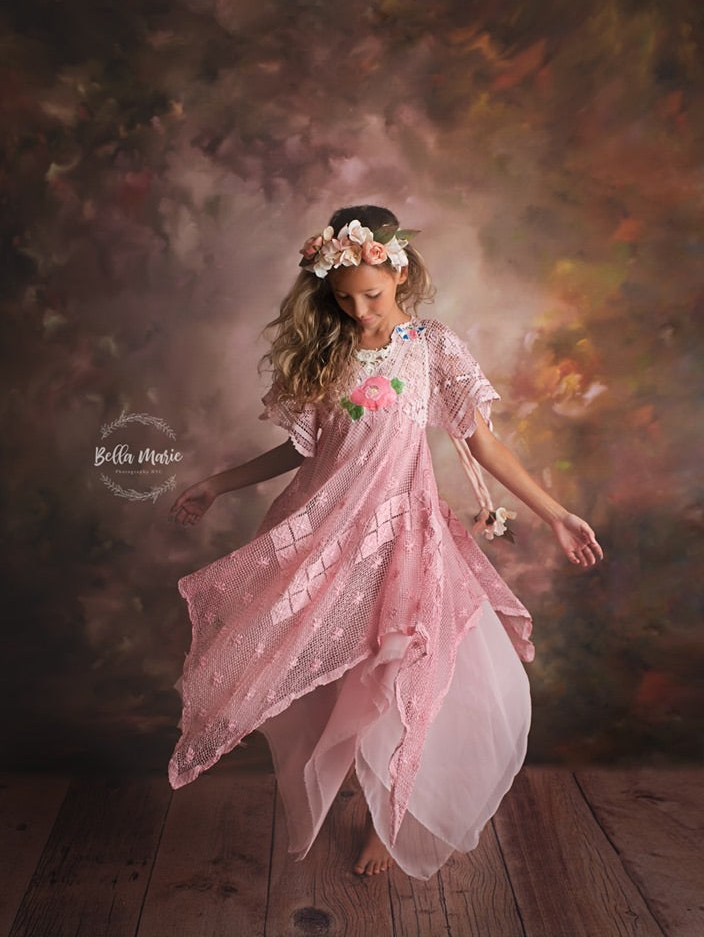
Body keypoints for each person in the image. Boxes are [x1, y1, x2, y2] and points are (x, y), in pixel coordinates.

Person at [167, 204, 603, 879]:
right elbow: (302, 449)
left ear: (398, 271)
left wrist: (555, 514)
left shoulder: (432, 347)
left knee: (399, 672)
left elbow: (483, 443)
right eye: (344, 299)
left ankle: (387, 818)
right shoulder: (330, 350)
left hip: (404, 535)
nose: (360, 311)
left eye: (370, 295)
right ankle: (358, 784)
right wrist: (218, 484)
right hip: (324, 533)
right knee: (330, 673)